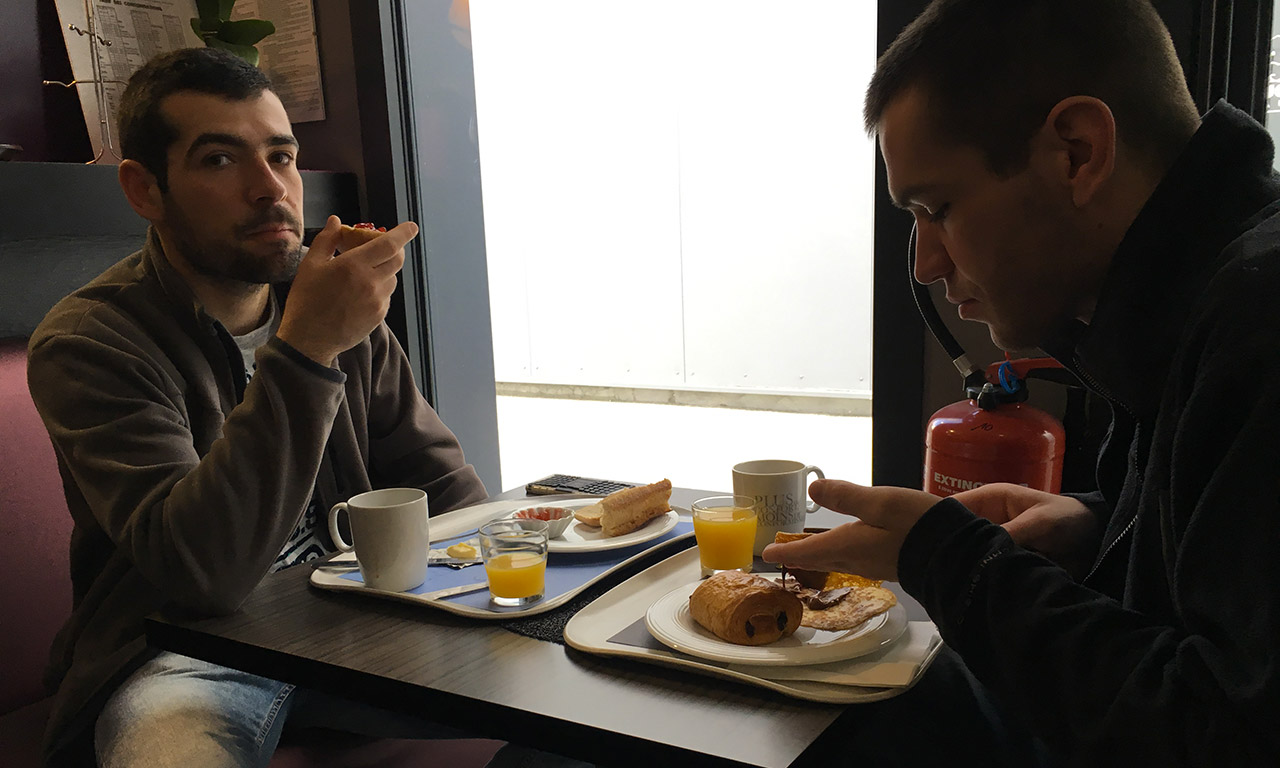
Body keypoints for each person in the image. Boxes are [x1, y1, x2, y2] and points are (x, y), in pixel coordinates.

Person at [764, 1, 1280, 764]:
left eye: (937, 208)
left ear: (1077, 151)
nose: (924, 264)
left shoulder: (1258, 320)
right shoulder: (1184, 305)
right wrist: (1103, 524)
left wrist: (954, 561)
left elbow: (1227, 733)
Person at [26, 47, 571, 768]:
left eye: (281, 157)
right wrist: (308, 348)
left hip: (368, 623)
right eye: (220, 161)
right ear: (145, 189)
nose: (270, 189)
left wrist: (545, 591)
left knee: (636, 702)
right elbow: (203, 573)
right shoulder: (92, 342)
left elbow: (438, 482)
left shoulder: (335, 313)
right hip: (186, 653)